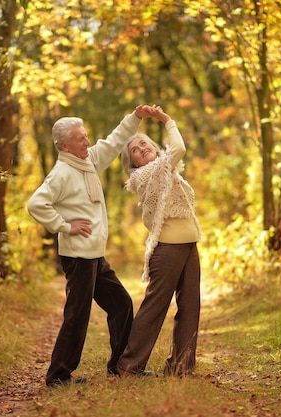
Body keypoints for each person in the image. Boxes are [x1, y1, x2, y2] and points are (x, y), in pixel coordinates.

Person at [27, 105, 155, 387]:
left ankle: (120, 366)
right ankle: (58, 376)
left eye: (86, 136)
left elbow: (112, 142)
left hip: (94, 256)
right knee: (77, 316)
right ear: (64, 146)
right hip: (78, 256)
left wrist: (135, 118)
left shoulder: (87, 161)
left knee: (120, 304)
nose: (87, 142)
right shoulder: (61, 173)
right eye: (80, 139)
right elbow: (36, 204)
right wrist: (64, 225)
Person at [116, 106, 202, 378]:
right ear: (134, 164)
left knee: (190, 307)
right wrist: (167, 120)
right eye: (135, 152)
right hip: (167, 250)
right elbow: (179, 148)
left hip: (189, 246)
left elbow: (174, 157)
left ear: (152, 146)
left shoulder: (166, 170)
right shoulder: (146, 175)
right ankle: (129, 365)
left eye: (143, 144)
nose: (141, 149)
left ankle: (180, 367)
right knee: (155, 307)